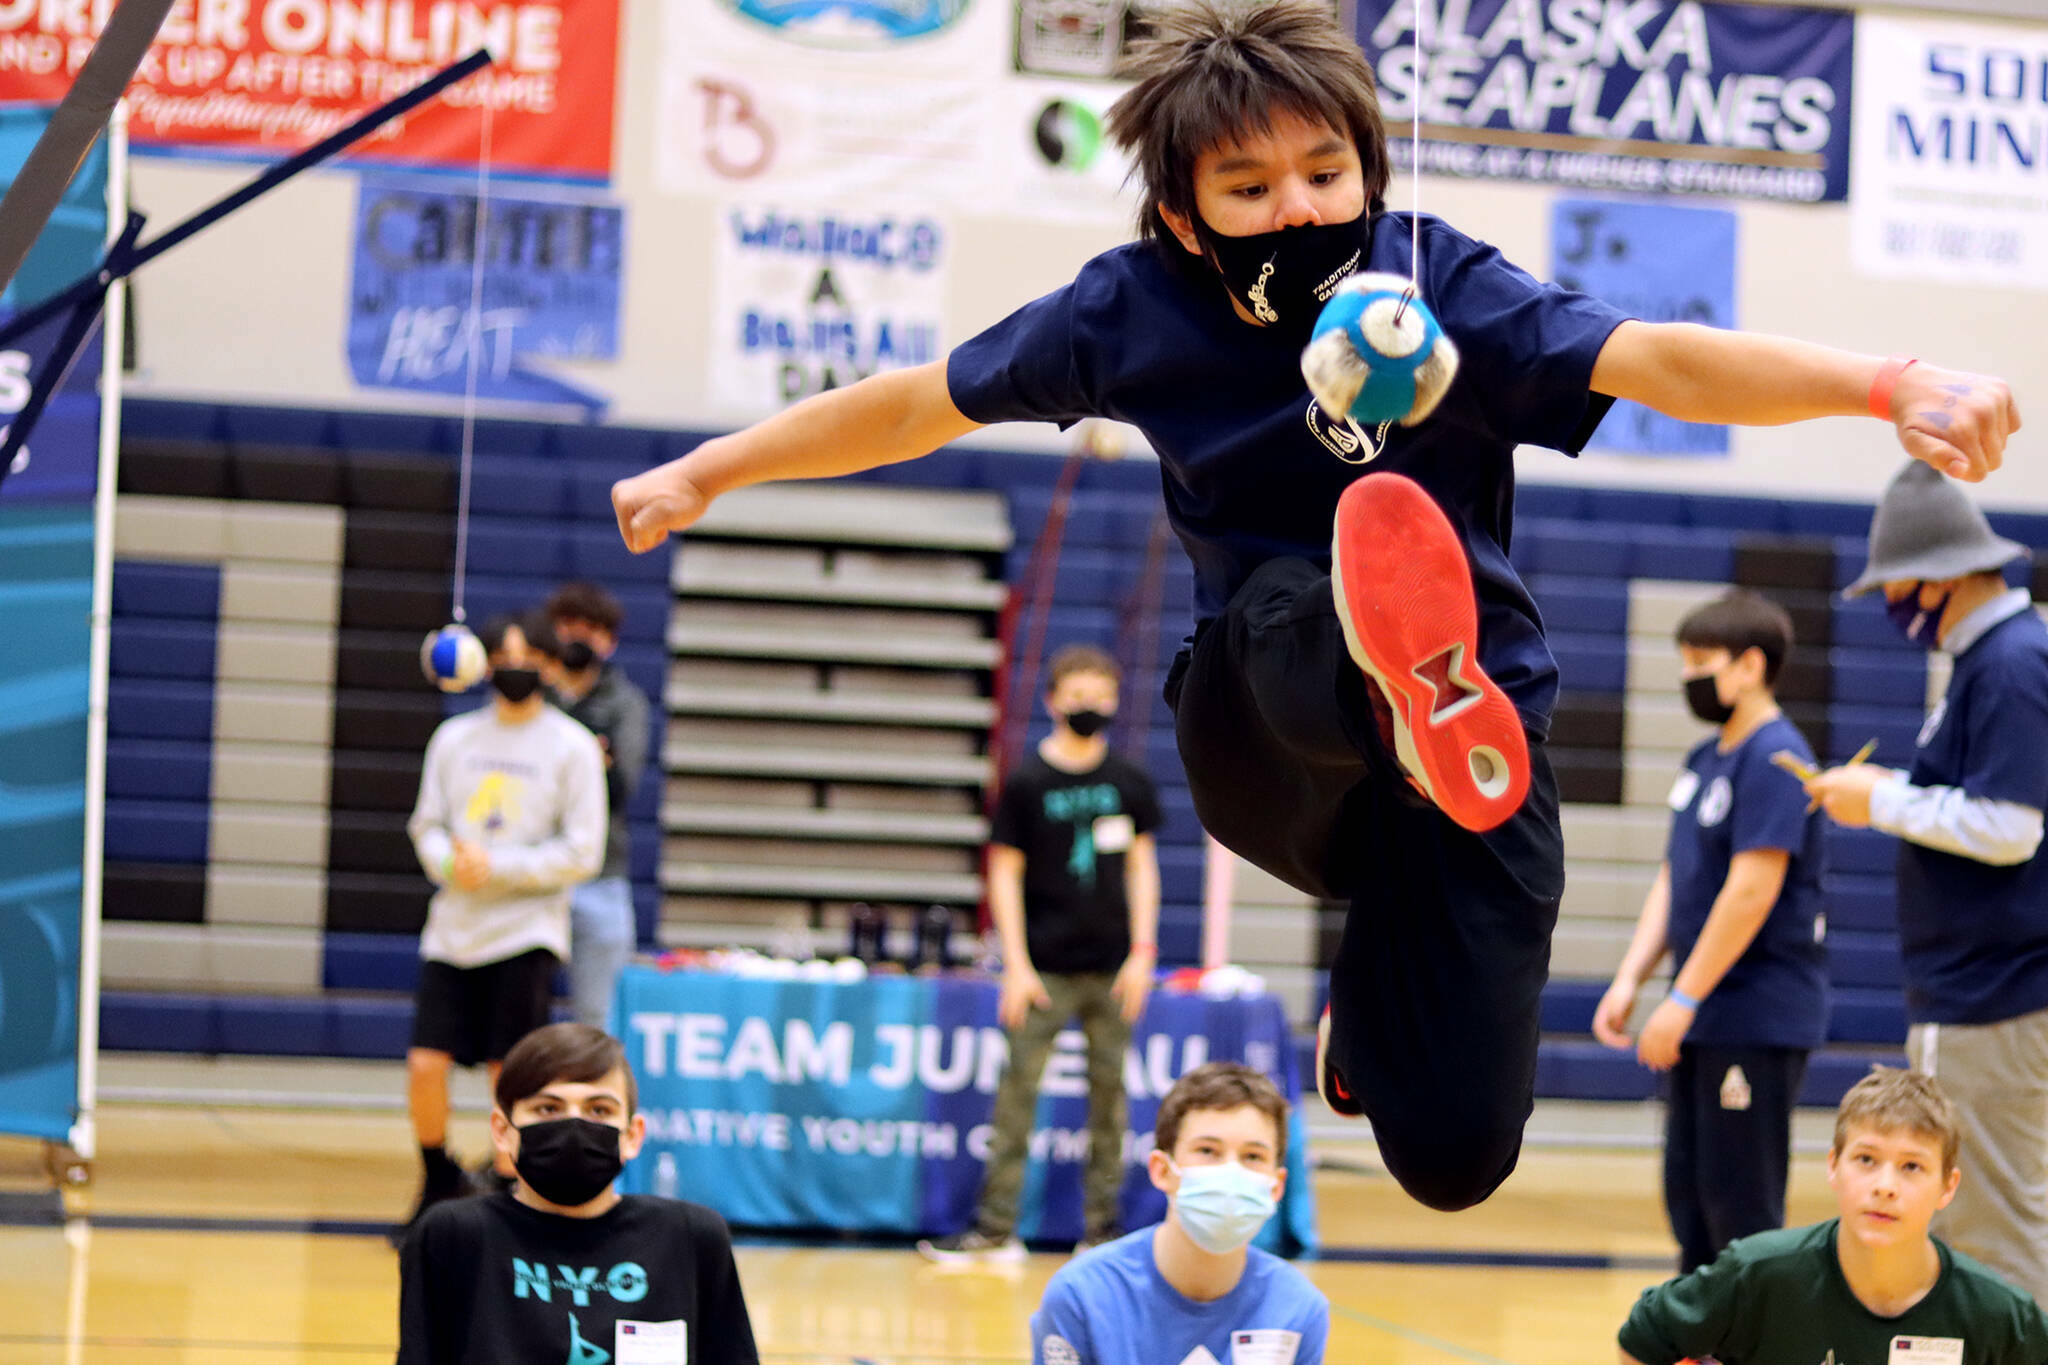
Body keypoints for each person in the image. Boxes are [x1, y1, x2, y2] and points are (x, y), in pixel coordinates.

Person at [607, 0, 2019, 1212]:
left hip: (1477, 741)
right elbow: (917, 403)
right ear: (1183, 215)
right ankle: (1385, 681)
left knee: (1453, 1158)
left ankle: (1384, 937)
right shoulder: (1128, 310)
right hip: (1267, 723)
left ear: (1368, 171)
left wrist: (1887, 384)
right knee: (1304, 591)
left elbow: (1660, 358)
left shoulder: (1436, 277)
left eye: (1325, 174)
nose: (1297, 208)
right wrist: (707, 469)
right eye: (1249, 188)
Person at [1804, 460, 2048, 1306]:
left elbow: (2010, 826)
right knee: (1990, 1217)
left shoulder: (2010, 664)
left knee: (1986, 1228)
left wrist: (1880, 800)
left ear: (1936, 575)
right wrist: (1894, 791)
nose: (1891, 605)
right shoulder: (1996, 660)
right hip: (1988, 992)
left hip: (1993, 993)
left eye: (1894, 586)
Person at [1594, 590, 1830, 1273]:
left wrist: (1683, 999)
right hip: (1704, 1014)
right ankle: (1700, 1329)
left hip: (1753, 1014)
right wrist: (1632, 977)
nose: (1687, 677)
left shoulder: (1778, 756)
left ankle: (1748, 1330)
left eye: (1701, 661)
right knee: (1690, 1198)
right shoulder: (1704, 759)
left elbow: (1751, 891)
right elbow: (1676, 877)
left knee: (1740, 1207)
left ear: (1751, 665)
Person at [919, 644, 1163, 1262]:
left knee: (1110, 1102)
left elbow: (1142, 868)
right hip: (1044, 969)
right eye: (1078, 696)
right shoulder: (1028, 782)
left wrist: (1142, 952)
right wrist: (1017, 965)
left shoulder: (1127, 781)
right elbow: (1003, 874)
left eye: (1100, 697)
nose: (1090, 707)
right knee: (1016, 1100)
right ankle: (996, 1230)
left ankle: (1101, 1231)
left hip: (1113, 968)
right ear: (1053, 702)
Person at [397, 612, 609, 1242]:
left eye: (528, 657)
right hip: (454, 929)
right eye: (504, 656)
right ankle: (436, 1179)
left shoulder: (572, 746)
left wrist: (502, 867)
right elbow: (426, 826)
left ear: (549, 664)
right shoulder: (454, 739)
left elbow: (583, 852)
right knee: (425, 1064)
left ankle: (506, 1184)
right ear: (484, 664)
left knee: (507, 1069)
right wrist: (450, 863)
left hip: (526, 931)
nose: (516, 667)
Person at [1617, 1067, 2048, 1365]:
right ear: (1833, 1166)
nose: (1885, 1186)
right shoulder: (1758, 1274)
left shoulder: (1999, 1315)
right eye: (1866, 1159)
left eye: (1911, 1166)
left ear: (1948, 1187)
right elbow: (1643, 1335)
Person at [397, 1022, 761, 1365]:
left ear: (632, 1135)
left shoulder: (690, 1237)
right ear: (502, 1131)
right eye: (548, 1108)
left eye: (599, 1110)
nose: (574, 1126)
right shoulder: (453, 1236)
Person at [1025, 1061, 1327, 1365]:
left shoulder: (1298, 1310)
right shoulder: (1082, 1295)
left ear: (1277, 1186)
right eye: (1207, 1151)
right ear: (1162, 1170)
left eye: (1253, 1156)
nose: (1230, 1172)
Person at [545, 581, 655, 1032]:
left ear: (608, 641)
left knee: (600, 1015)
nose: (578, 637)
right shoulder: (530, 699)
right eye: (568, 626)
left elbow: (620, 788)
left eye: (591, 629)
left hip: (600, 876)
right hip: (531, 873)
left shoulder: (625, 704)